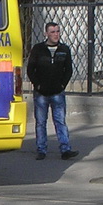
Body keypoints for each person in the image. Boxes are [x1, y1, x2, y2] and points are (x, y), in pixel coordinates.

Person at [26, 21, 79, 160]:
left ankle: (65, 149)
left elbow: (68, 70)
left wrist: (62, 85)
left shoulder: (64, 49)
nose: (56, 34)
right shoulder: (38, 49)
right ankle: (41, 149)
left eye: (57, 31)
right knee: (41, 122)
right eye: (52, 32)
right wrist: (37, 85)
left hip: (57, 92)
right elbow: (31, 69)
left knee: (60, 121)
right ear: (46, 34)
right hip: (41, 93)